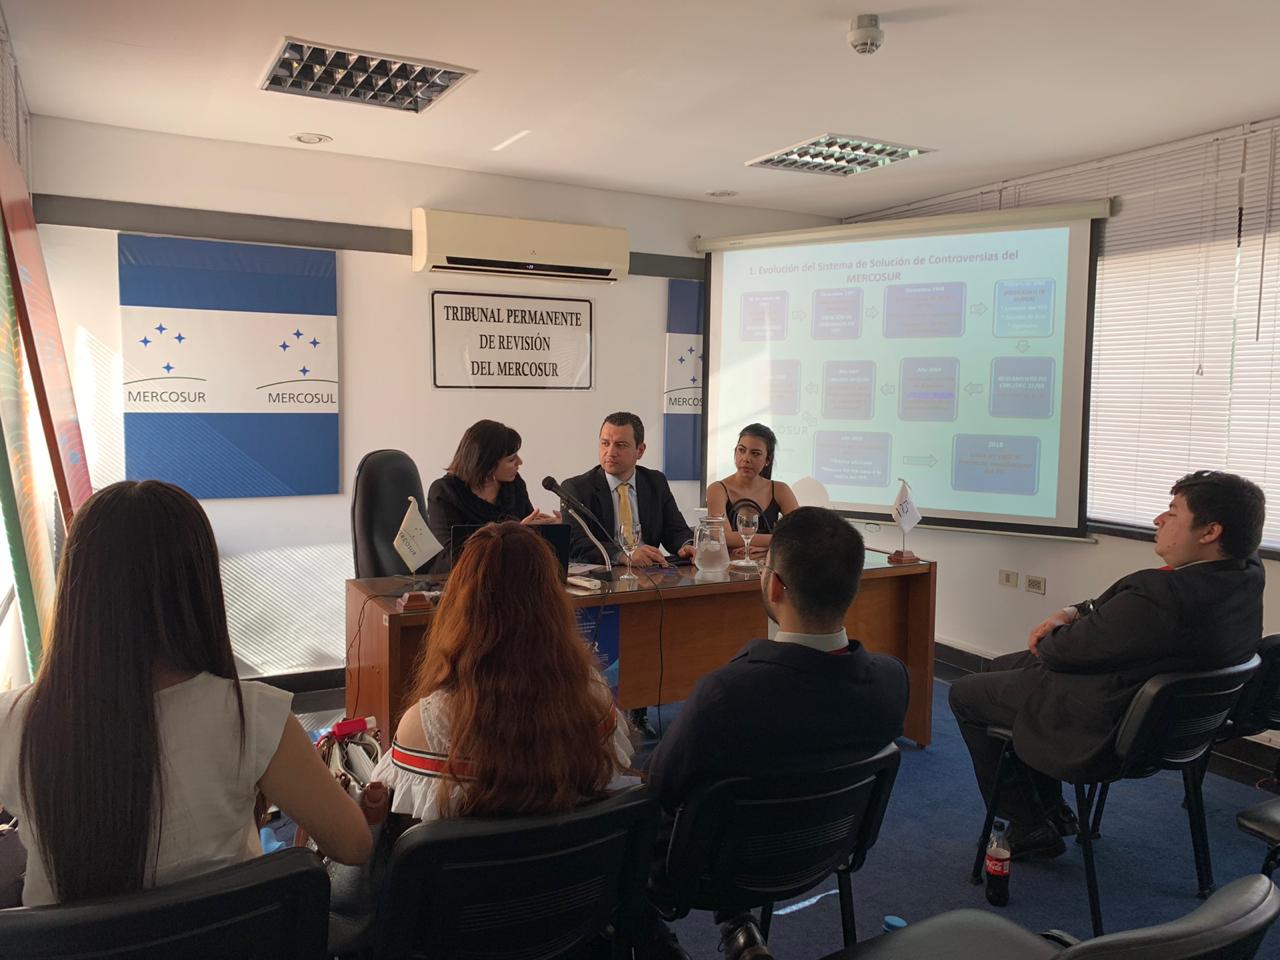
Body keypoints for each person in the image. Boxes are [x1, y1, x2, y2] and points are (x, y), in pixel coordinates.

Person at [0, 480, 370, 907]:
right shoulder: (251, 717)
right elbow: (354, 845)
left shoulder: (14, 719)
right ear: (199, 586)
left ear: (77, 591)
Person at [949, 470, 1266, 859]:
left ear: (1210, 532)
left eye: (1172, 513)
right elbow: (1113, 614)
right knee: (1001, 665)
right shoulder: (1245, 574)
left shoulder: (1159, 597)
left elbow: (1058, 651)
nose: (1158, 520)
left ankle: (1030, 824)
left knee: (965, 694)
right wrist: (1072, 612)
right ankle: (1052, 810)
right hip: (1169, 724)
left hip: (1108, 726)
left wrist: (1055, 629)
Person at [643, 507, 908, 959]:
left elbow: (658, 790)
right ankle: (739, 924)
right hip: (825, 854)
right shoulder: (893, 681)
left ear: (774, 586)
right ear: (854, 587)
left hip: (708, 872)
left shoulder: (725, 694)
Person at [371, 521, 634, 821]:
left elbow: (402, 827)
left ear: (460, 608)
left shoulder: (426, 725)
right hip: (576, 853)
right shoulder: (594, 696)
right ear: (554, 605)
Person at [561, 412, 696, 570]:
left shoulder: (655, 482)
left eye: (621, 445)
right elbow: (577, 543)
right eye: (605, 443)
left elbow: (675, 530)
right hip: (606, 573)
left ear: (640, 450)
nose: (610, 452)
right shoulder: (576, 489)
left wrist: (686, 546)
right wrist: (623, 556)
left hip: (649, 572)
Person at [425, 419, 555, 573]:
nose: (520, 462)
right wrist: (518, 534)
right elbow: (455, 556)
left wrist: (551, 529)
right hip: (462, 578)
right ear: (487, 464)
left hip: (510, 574)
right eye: (511, 459)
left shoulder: (514, 484)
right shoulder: (444, 492)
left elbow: (530, 532)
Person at [706, 423, 799, 561]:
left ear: (768, 460)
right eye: (742, 450)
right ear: (735, 452)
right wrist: (775, 541)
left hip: (768, 566)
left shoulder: (780, 490)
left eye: (755, 453)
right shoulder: (717, 489)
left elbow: (801, 533)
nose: (746, 459)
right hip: (727, 566)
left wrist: (769, 548)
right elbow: (722, 536)